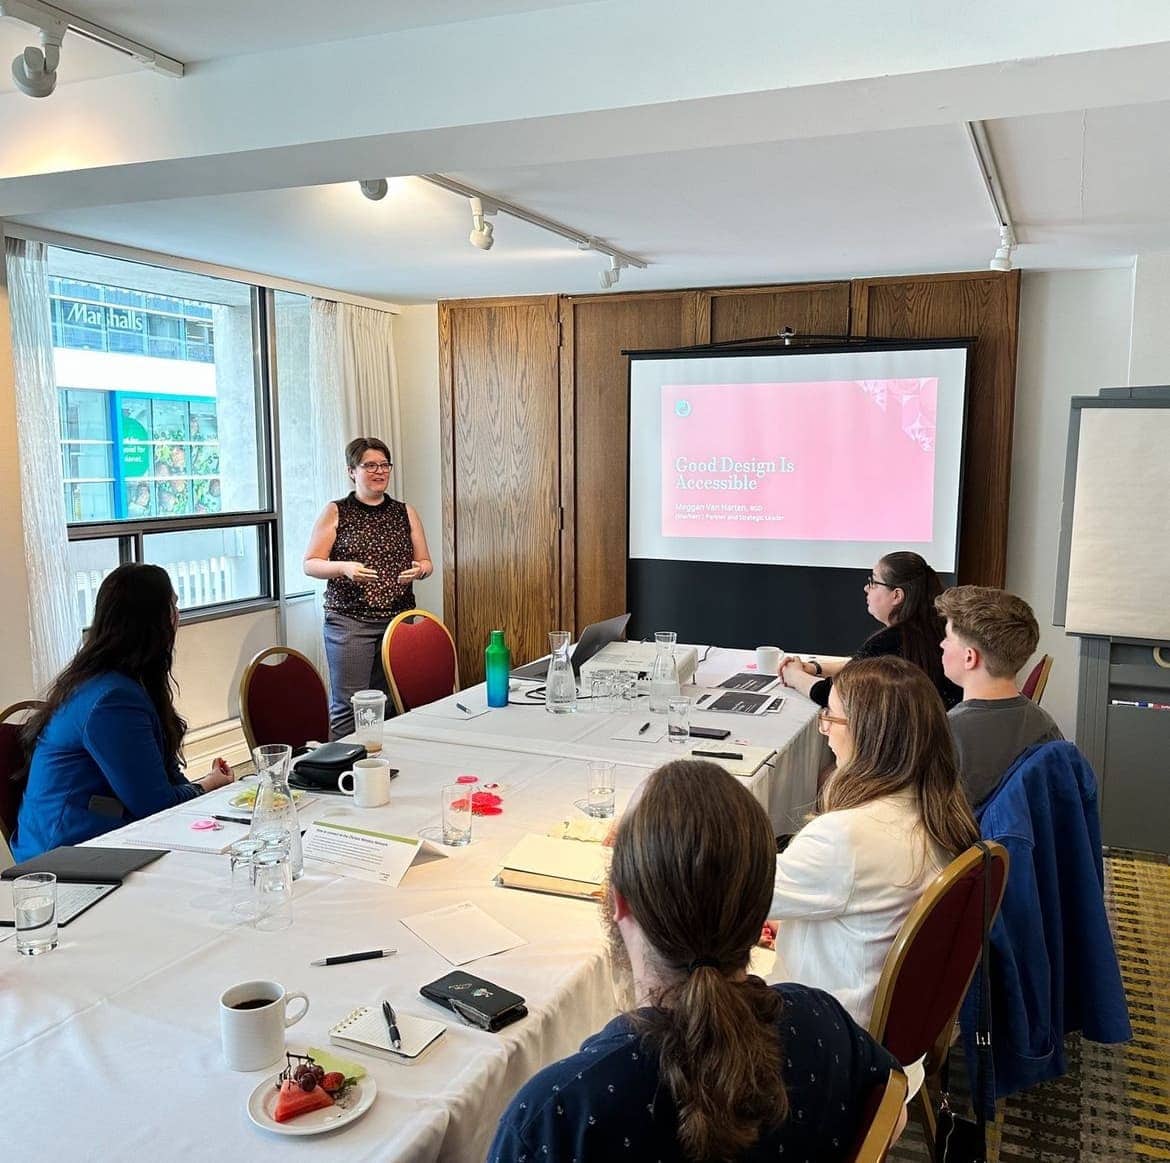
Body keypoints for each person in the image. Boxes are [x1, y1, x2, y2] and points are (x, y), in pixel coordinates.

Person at [488, 759, 904, 1163]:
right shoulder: (823, 1023)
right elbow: (893, 1113)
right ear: (762, 908)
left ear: (618, 902)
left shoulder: (558, 1113)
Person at [768, 656, 978, 1026]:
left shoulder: (844, 837)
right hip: (885, 1016)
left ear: (869, 736)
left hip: (825, 1028)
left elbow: (730, 895)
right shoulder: (940, 810)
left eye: (830, 717)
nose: (826, 730)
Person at [11, 564, 234, 861]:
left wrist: (202, 785)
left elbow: (162, 776)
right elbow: (156, 806)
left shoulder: (113, 681)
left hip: (98, 837)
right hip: (65, 857)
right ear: (154, 623)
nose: (177, 618)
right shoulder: (111, 700)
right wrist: (207, 785)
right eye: (173, 607)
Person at [303, 437, 433, 738]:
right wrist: (344, 568)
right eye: (370, 465)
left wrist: (420, 571)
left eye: (384, 465)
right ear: (352, 471)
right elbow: (311, 563)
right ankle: (343, 769)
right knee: (350, 704)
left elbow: (426, 561)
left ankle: (385, 764)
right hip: (350, 621)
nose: (379, 471)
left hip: (398, 620)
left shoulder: (405, 512)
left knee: (393, 700)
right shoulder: (336, 511)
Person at [780, 550, 961, 709]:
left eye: (873, 582)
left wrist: (794, 676)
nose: (867, 588)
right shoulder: (936, 631)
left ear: (897, 595)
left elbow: (835, 695)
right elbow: (866, 668)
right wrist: (816, 668)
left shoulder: (890, 641)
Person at [935, 585, 1063, 807]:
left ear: (969, 658)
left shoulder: (946, 733)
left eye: (947, 638)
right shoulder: (1046, 727)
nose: (941, 644)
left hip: (961, 841)